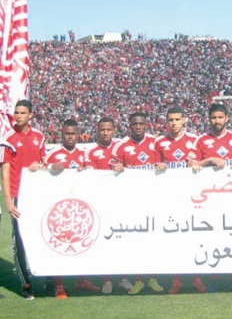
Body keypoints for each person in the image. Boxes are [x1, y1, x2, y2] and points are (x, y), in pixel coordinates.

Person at [45, 119, 101, 298]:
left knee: (82, 244)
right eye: (67, 134)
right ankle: (59, 284)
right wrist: (50, 168)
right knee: (61, 246)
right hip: (61, 209)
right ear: (62, 134)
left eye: (73, 134)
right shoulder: (53, 154)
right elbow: (41, 173)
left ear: (78, 134)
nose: (70, 137)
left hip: (80, 207)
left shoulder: (84, 154)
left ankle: (81, 280)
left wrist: (88, 170)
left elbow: (92, 173)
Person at [191, 103, 232, 292]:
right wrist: (210, 160)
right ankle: (212, 279)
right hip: (208, 198)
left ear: (227, 118)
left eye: (220, 117)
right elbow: (191, 164)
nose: (217, 121)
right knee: (210, 238)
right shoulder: (201, 140)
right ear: (209, 119)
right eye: (213, 117)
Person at [154, 107, 206, 294]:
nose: (174, 123)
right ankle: (176, 280)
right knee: (174, 240)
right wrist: (158, 165)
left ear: (184, 120)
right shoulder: (159, 142)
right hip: (169, 199)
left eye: (177, 119)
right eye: (170, 120)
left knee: (194, 238)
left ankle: (196, 278)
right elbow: (153, 167)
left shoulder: (194, 140)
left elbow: (201, 164)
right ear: (166, 122)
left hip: (193, 198)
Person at [111, 112, 165, 294]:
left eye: (141, 123)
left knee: (153, 240)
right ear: (130, 125)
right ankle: (139, 279)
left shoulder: (155, 142)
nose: (138, 127)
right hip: (131, 201)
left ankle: (152, 277)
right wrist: (115, 167)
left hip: (154, 198)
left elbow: (163, 162)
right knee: (136, 240)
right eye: (135, 124)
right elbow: (112, 165)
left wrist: (162, 165)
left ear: (146, 125)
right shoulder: (121, 146)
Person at [84, 117, 135, 295]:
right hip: (100, 202)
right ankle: (106, 279)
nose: (105, 133)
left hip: (120, 201)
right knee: (104, 241)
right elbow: (89, 176)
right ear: (97, 130)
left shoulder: (119, 147)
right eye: (102, 130)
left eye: (109, 130)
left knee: (122, 240)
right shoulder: (90, 151)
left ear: (114, 130)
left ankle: (123, 277)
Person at [0, 100, 45, 300]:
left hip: (37, 195)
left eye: (22, 112)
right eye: (16, 112)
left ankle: (44, 277)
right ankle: (26, 284)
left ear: (31, 115)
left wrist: (41, 165)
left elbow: (45, 162)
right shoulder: (8, 138)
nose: (18, 116)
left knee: (40, 235)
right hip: (19, 196)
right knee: (19, 240)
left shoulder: (39, 136)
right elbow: (5, 173)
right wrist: (9, 202)